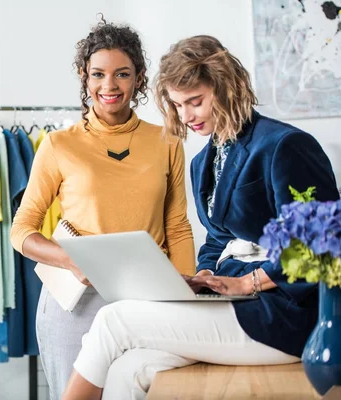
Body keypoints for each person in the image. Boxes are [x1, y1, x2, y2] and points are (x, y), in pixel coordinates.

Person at [61, 34, 340, 400]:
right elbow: (216, 238)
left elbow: (324, 242)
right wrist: (206, 275)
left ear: (225, 89)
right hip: (233, 301)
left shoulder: (283, 145)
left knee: (113, 320)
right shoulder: (201, 162)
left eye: (195, 102)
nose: (185, 116)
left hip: (283, 316)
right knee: (127, 369)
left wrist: (248, 282)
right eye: (177, 105)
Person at [9, 18, 196, 400]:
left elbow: (177, 226)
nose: (109, 86)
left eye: (122, 74)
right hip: (76, 302)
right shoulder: (58, 144)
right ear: (84, 76)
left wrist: (184, 298)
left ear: (140, 78)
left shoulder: (167, 141)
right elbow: (21, 231)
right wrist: (71, 260)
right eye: (98, 74)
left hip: (149, 297)